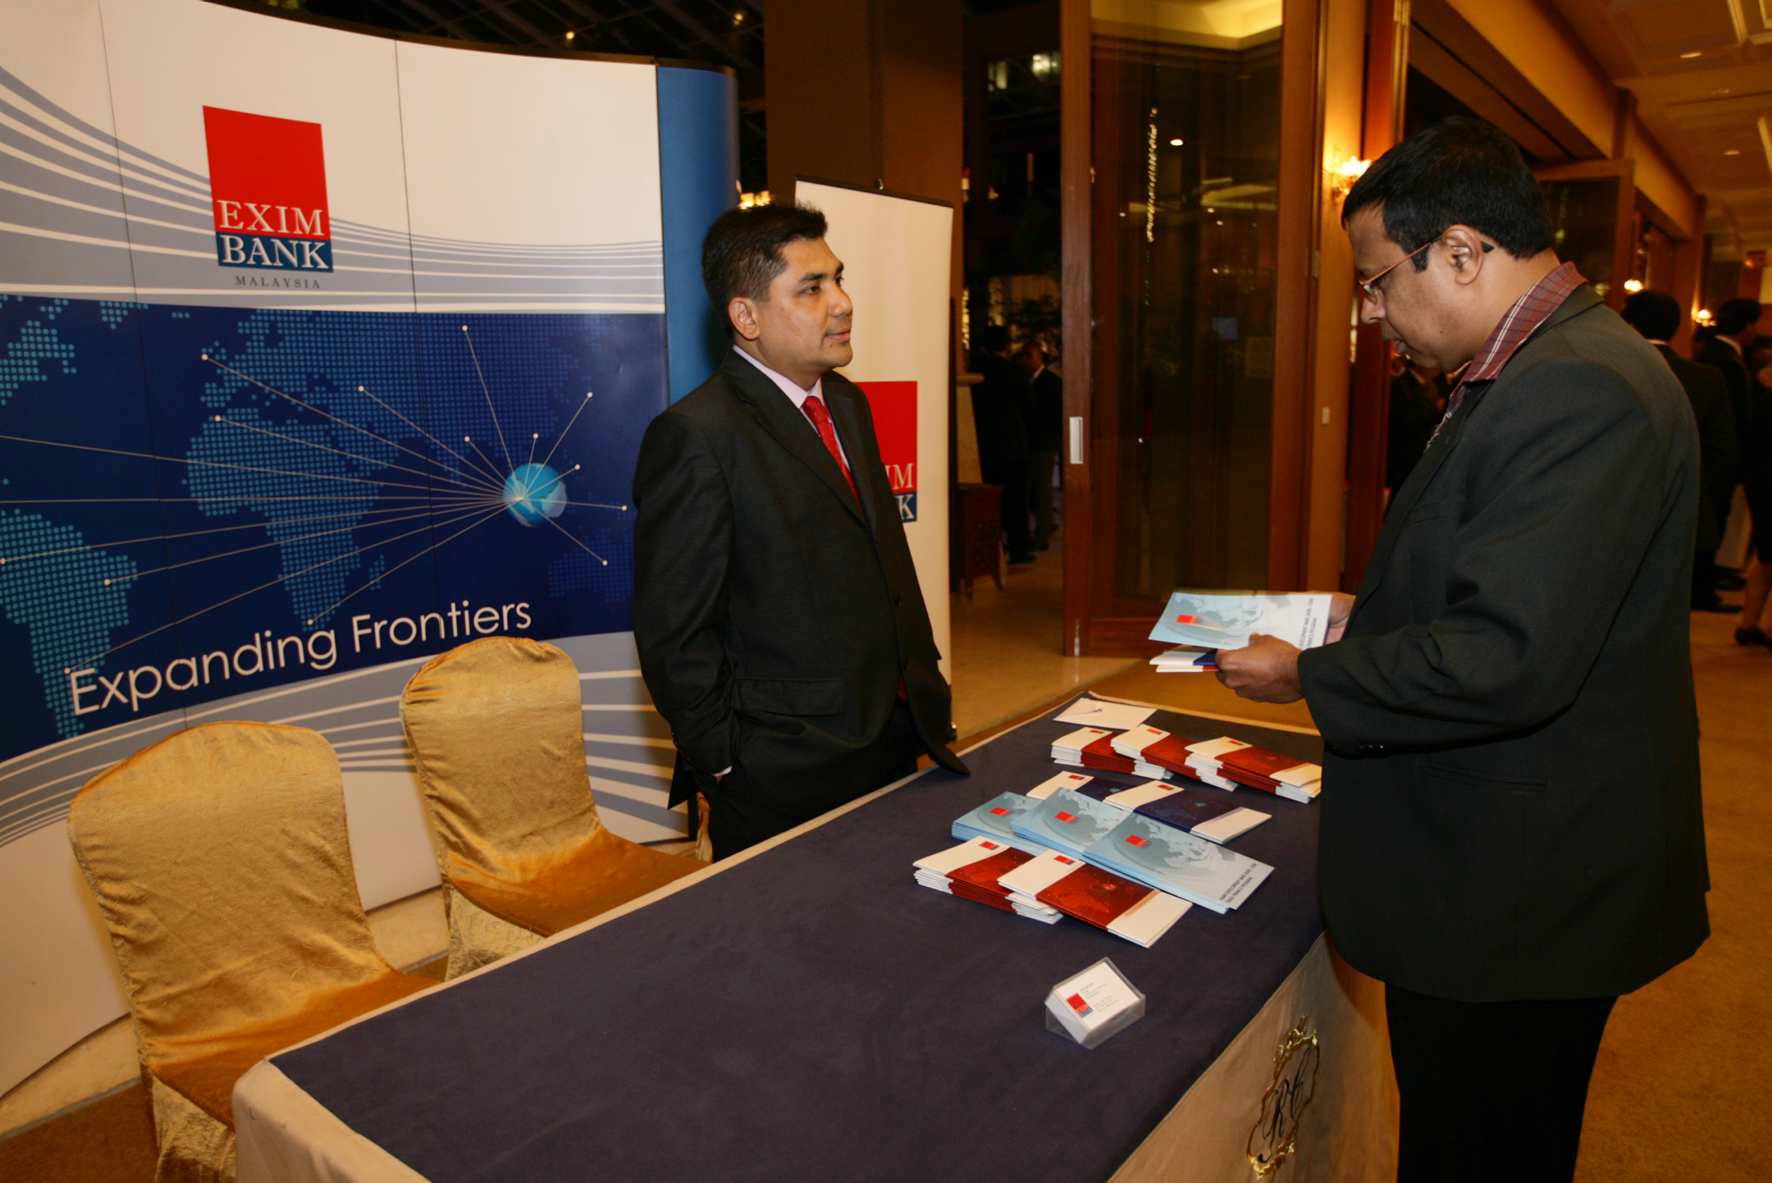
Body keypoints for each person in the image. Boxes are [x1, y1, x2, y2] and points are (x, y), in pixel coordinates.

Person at [1215, 117, 1709, 1182]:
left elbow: (1507, 653)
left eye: (1377, 282)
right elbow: (1511, 581)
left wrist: (1305, 674)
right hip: (1510, 863)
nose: (1372, 311)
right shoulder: (1537, 365)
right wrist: (1361, 613)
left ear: (1460, 251)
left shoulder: (1575, 387)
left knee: (1480, 1149)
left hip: (1518, 890)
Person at [632, 203, 967, 859]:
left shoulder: (847, 401)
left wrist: (920, 688)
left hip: (894, 732)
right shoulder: (696, 435)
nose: (842, 303)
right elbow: (675, 631)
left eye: (838, 279)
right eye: (811, 288)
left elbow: (882, 564)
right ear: (747, 316)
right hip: (785, 770)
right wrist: (725, 762)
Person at [1621, 289, 1738, 610]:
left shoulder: (1610, 369)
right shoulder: (1706, 378)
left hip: (1616, 516)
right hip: (1687, 513)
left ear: (1629, 323)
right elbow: (1722, 454)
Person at [969, 324, 1033, 565]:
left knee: (989, 503)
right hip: (1013, 444)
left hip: (986, 444)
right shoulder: (1013, 371)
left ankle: (991, 551)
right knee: (1017, 502)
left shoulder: (976, 371)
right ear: (1006, 345)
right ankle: (1018, 550)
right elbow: (1029, 405)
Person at [1736, 334, 1772, 645]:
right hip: (1766, 483)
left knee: (1765, 557)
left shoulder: (1760, 398)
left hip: (1760, 484)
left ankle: (1748, 624)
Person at [1015, 339, 1063, 550]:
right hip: (1031, 442)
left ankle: (1042, 534)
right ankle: (1041, 529)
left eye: (1030, 356)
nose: (1026, 361)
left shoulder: (1051, 382)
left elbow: (1054, 413)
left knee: (1042, 489)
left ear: (1039, 358)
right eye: (1024, 356)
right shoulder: (1027, 380)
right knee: (1035, 489)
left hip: (1043, 443)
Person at [1384, 358, 1442, 494]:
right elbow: (1409, 420)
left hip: (1414, 454)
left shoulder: (1428, 385)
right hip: (1405, 455)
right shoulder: (1403, 385)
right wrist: (1434, 410)